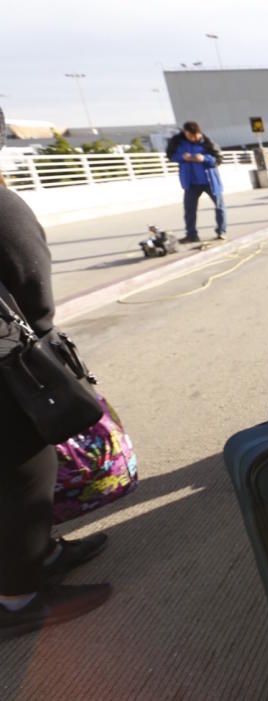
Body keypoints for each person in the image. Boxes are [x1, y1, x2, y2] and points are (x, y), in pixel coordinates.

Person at [0, 111, 111, 639]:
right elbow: (32, 286)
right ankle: (16, 601)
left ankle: (41, 555)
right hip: (8, 373)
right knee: (25, 474)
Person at [165, 121, 227, 244]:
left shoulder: (207, 142)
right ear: (185, 133)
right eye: (189, 136)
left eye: (195, 136)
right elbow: (171, 156)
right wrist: (182, 157)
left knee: (219, 206)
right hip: (191, 182)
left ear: (199, 133)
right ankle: (191, 235)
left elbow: (218, 159)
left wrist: (204, 158)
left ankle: (221, 231)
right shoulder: (177, 142)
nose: (192, 138)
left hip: (210, 180)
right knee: (189, 209)